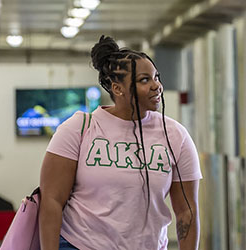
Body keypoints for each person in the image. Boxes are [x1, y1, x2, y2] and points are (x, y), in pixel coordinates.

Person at [38, 35, 202, 250]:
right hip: (81, 244)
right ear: (117, 89)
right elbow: (51, 201)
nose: (157, 86)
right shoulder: (79, 128)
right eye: (145, 80)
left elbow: (186, 211)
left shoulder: (175, 135)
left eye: (156, 77)